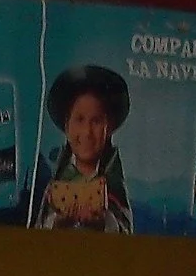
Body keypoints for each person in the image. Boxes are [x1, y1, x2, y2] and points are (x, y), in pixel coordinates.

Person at [33, 64, 133, 233]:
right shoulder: (55, 185)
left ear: (108, 129)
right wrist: (57, 223)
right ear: (67, 126)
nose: (87, 132)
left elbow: (126, 231)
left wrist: (103, 223)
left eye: (96, 121)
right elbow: (38, 230)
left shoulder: (113, 185)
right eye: (79, 120)